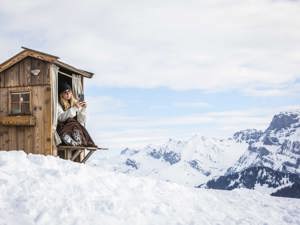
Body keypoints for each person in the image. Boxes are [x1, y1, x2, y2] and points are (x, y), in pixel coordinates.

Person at [56, 82, 96, 147]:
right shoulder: (58, 104)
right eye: (65, 92)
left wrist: (83, 109)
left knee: (78, 125)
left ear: (71, 93)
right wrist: (74, 108)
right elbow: (61, 118)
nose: (68, 93)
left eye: (69, 91)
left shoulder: (75, 103)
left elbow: (81, 120)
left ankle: (75, 139)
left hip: (74, 128)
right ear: (61, 94)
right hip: (63, 127)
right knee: (72, 122)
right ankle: (70, 138)